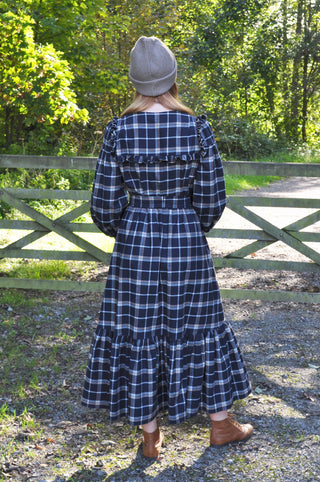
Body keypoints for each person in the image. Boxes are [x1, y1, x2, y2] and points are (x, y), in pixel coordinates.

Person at [82, 36, 252, 458]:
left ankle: (150, 437)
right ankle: (220, 425)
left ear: (134, 82)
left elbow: (103, 205)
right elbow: (212, 200)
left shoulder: (118, 130)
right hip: (186, 241)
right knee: (197, 326)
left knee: (139, 330)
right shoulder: (196, 128)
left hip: (135, 243)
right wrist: (190, 226)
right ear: (173, 79)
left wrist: (131, 228)